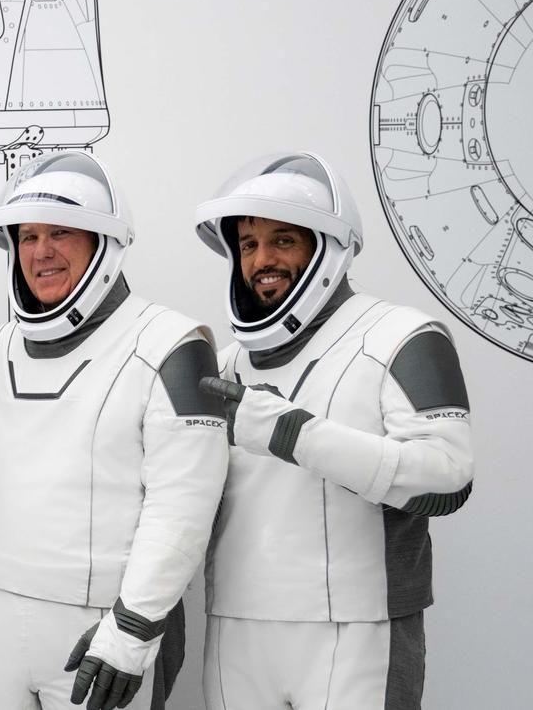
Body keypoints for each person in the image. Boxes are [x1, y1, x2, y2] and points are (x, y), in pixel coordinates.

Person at [0, 150, 229, 710]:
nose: (40, 251)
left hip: (102, 626)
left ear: (105, 244)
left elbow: (185, 502)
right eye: (27, 236)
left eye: (62, 233)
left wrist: (135, 627)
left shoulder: (172, 346)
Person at [193, 152, 475, 710]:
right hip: (235, 625)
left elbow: (448, 479)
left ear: (328, 247)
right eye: (248, 244)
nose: (261, 259)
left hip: (358, 627)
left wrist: (296, 433)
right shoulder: (226, 365)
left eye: (283, 240)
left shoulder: (402, 335)